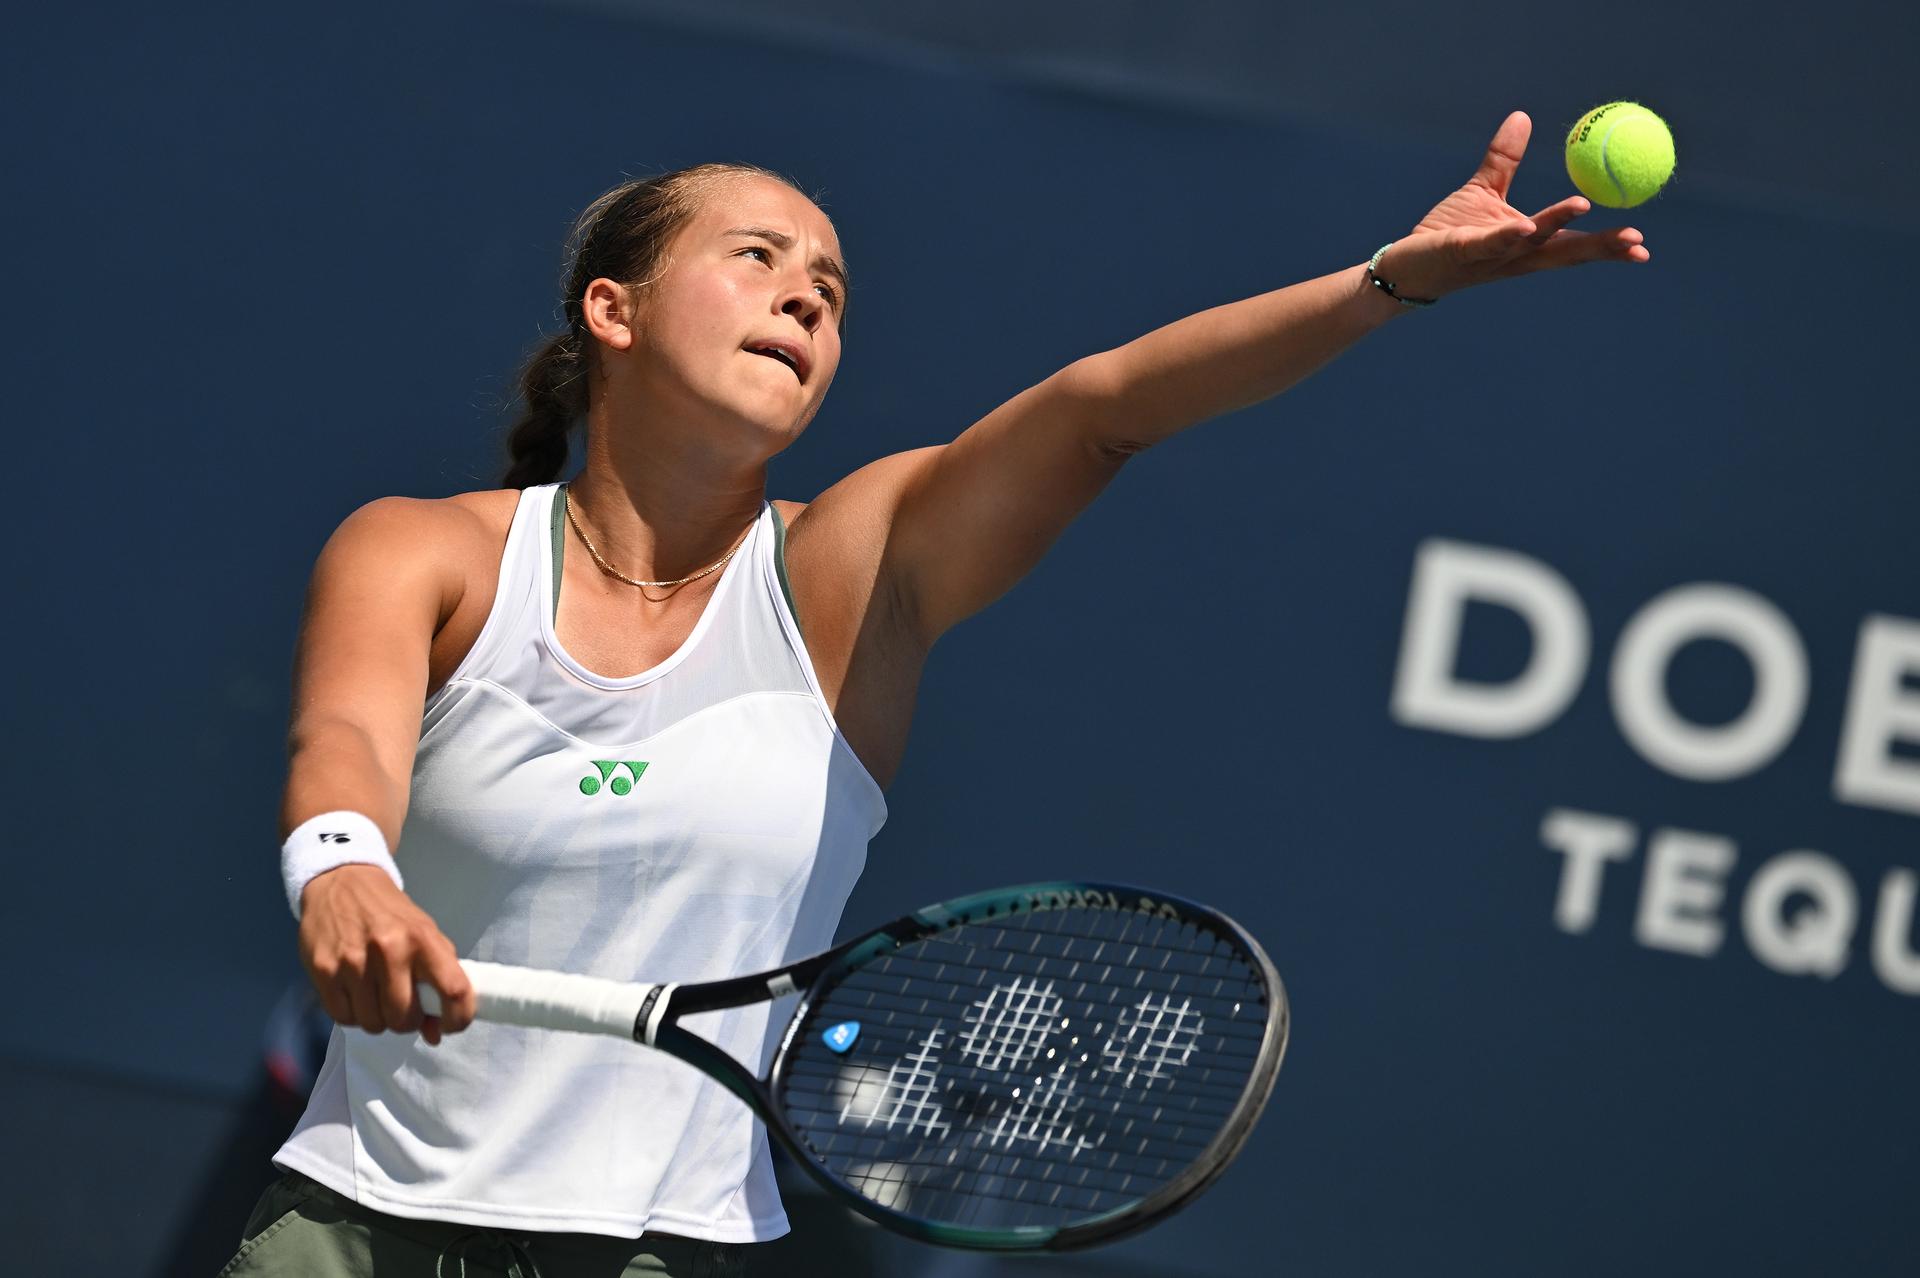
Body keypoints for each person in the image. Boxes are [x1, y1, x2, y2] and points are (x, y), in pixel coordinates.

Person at [223, 112, 1646, 1276]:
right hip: (355, 1227)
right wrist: (344, 867)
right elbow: (342, 735)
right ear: (615, 310)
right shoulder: (421, 546)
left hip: (668, 1248)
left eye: (829, 290)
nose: (804, 294)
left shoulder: (856, 575)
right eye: (760, 257)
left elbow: (1107, 409)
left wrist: (1386, 280)